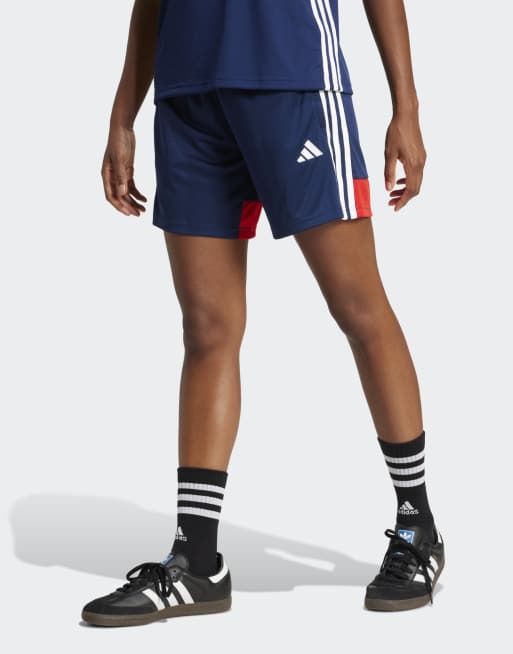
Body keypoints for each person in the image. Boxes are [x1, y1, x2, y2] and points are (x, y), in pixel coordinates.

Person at [82, 0, 444, 626]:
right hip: (188, 94)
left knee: (357, 305)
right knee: (207, 329)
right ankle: (197, 561)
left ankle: (418, 528)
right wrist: (123, 115)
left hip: (294, 80)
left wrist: (405, 108)